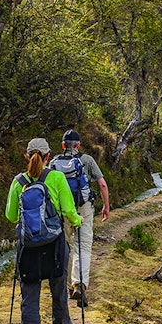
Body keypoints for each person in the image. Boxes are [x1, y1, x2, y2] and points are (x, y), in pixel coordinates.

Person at [5, 137, 81, 324]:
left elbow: (11, 216)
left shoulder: (18, 182)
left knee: (30, 301)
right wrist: (79, 221)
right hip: (54, 246)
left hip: (28, 249)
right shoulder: (56, 177)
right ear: (49, 156)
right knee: (58, 292)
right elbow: (69, 210)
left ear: (27, 156)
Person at [56, 129, 109, 308]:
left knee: (66, 245)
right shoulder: (86, 160)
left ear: (63, 145)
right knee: (83, 246)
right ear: (78, 145)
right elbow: (101, 183)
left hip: (64, 209)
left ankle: (66, 287)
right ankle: (79, 284)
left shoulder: (55, 162)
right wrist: (106, 206)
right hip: (84, 207)